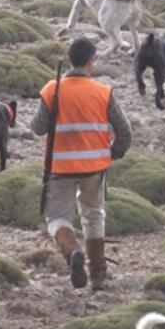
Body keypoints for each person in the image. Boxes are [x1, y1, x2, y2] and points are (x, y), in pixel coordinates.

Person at [31, 37, 132, 290]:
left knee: (57, 219)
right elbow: (125, 131)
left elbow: (37, 128)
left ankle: (72, 251)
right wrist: (113, 153)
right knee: (94, 215)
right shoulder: (103, 92)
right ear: (91, 63)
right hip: (95, 168)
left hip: (59, 168)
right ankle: (98, 275)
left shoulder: (51, 90)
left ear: (68, 61)